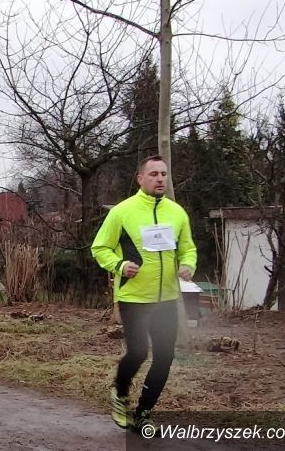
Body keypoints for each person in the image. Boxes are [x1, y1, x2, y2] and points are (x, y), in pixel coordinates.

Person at [91, 155, 197, 432]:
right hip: (134, 298)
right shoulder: (122, 212)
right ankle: (120, 391)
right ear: (140, 179)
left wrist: (188, 264)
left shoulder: (177, 213)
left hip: (166, 298)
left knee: (164, 356)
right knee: (138, 352)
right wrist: (119, 265)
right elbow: (99, 248)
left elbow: (188, 248)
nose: (160, 179)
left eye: (163, 174)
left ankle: (143, 412)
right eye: (153, 174)